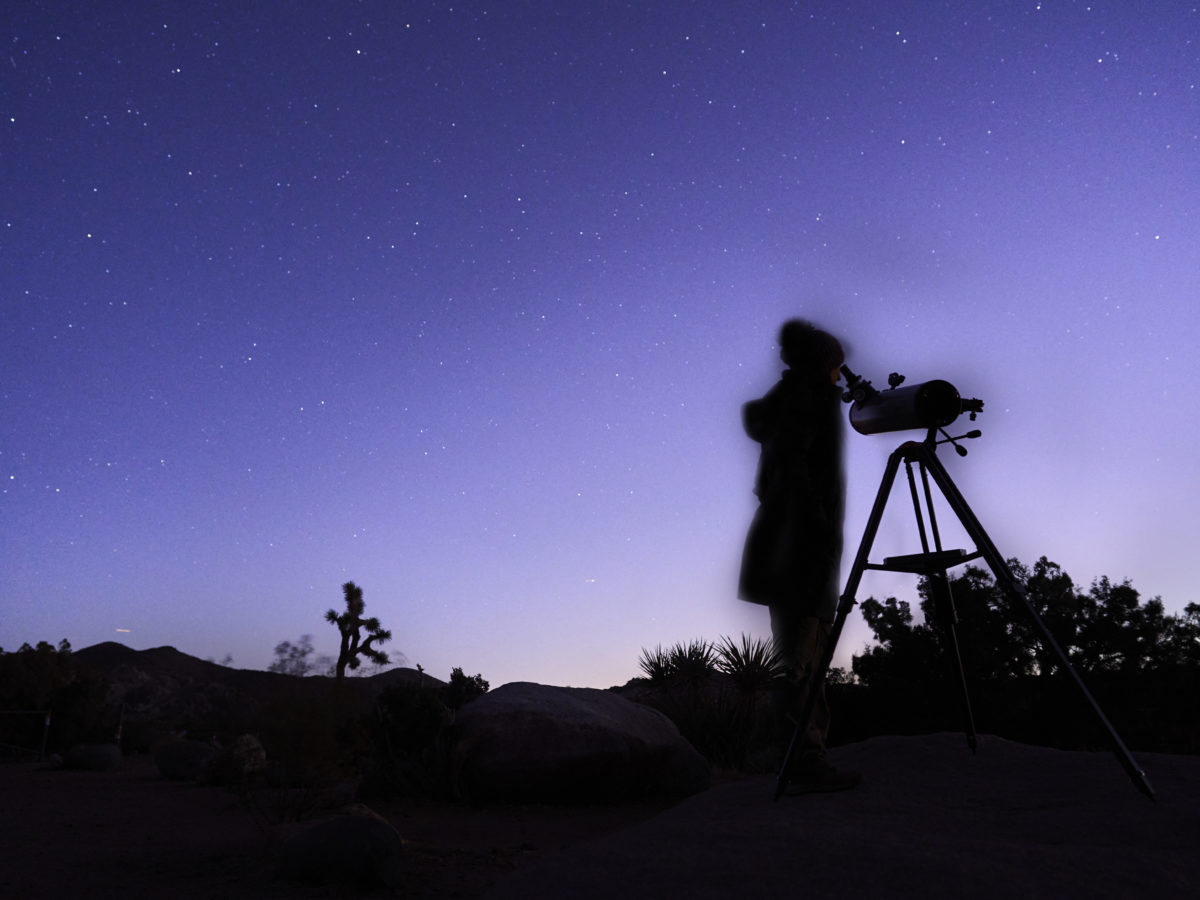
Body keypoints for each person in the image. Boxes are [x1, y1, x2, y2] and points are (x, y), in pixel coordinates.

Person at [739, 318, 860, 793]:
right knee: (797, 661)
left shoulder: (792, 401)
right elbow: (793, 474)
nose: (840, 376)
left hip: (796, 549)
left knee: (809, 658)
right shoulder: (805, 403)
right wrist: (819, 526)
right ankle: (802, 761)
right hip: (802, 551)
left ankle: (807, 756)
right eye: (836, 368)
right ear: (822, 365)